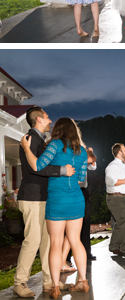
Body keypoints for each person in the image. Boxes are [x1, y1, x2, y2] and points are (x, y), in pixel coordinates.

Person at [20, 117, 89, 299]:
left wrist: (27, 148)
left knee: (56, 244)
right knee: (76, 241)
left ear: (58, 129)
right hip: (76, 199)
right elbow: (81, 177)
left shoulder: (55, 145)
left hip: (57, 200)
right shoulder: (81, 151)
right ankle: (83, 281)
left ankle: (56, 288)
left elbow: (36, 165)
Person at [12, 107, 74, 299]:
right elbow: (37, 168)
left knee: (48, 241)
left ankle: (50, 281)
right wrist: (62, 170)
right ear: (39, 119)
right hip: (31, 197)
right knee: (33, 240)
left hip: (42, 197)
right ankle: (19, 282)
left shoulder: (40, 140)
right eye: (47, 117)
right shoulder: (29, 140)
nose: (50, 120)